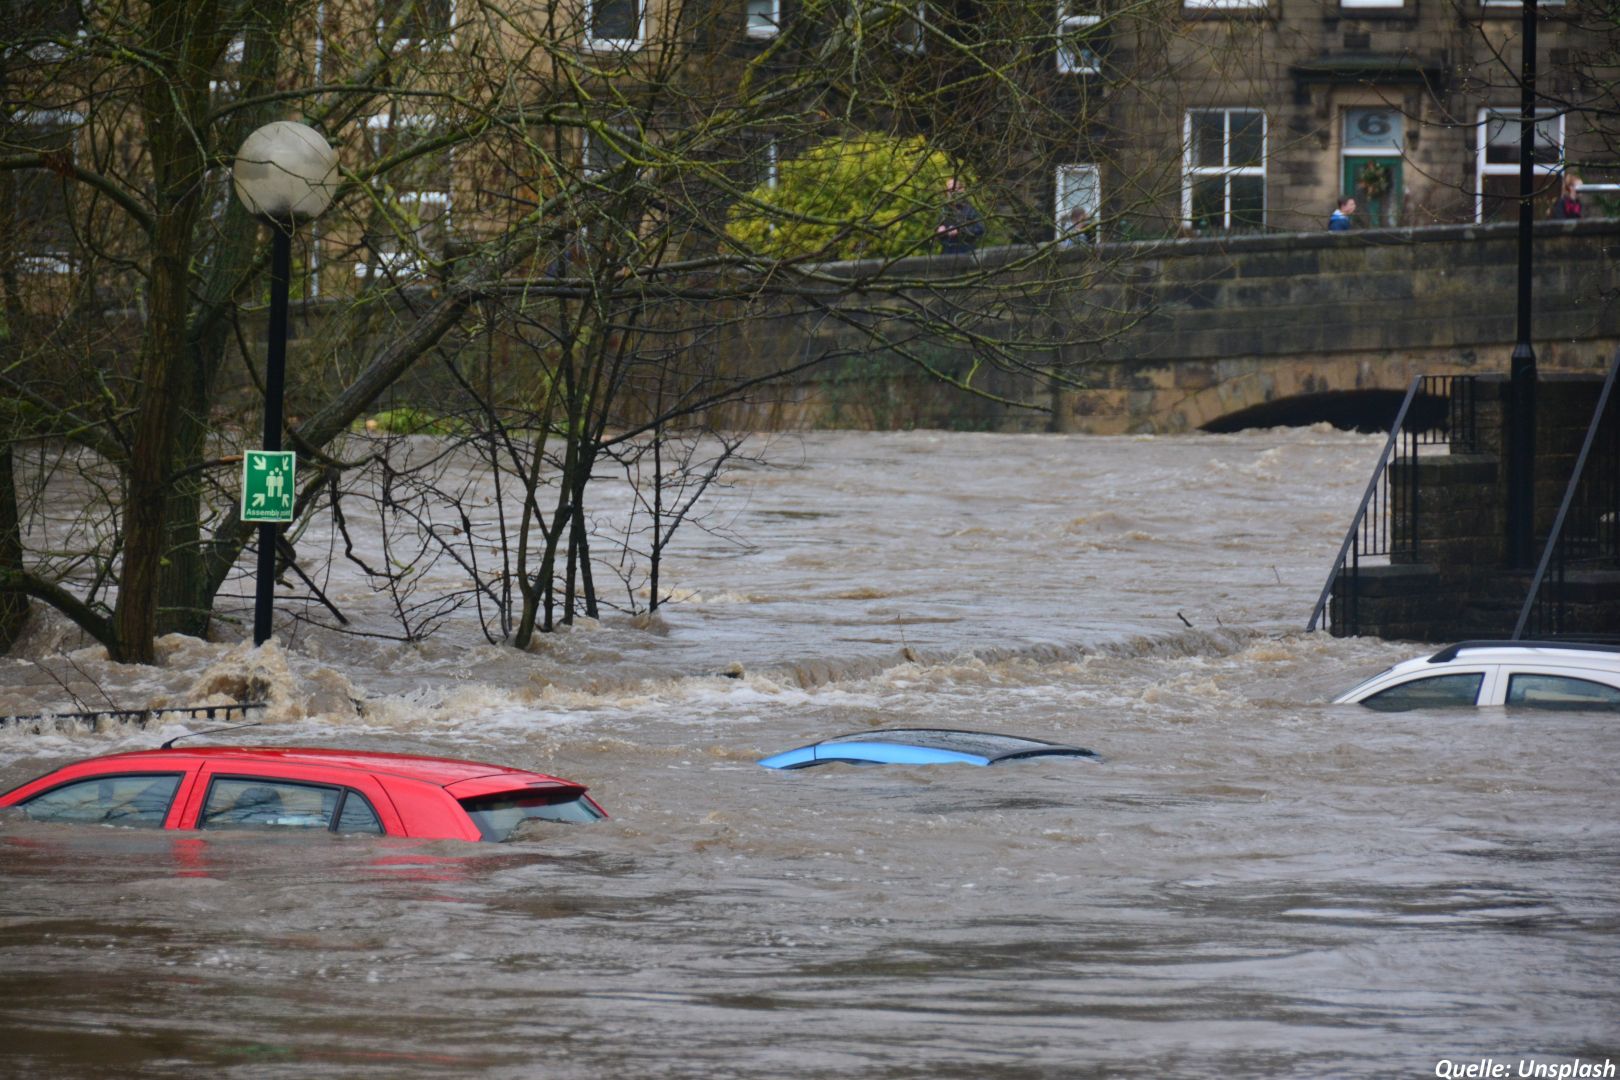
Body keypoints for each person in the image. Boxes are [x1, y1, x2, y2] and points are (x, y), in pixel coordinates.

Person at [937, 177, 985, 255]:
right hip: (947, 254)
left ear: (962, 190)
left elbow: (980, 229)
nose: (952, 193)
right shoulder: (944, 211)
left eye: (955, 189)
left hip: (966, 253)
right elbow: (938, 232)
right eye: (949, 191)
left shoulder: (970, 210)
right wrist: (939, 231)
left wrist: (959, 231)